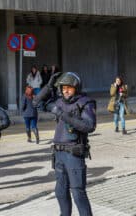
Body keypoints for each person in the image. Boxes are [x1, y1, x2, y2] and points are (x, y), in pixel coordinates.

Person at [34, 72, 96, 216]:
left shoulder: (85, 102)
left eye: (69, 87)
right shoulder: (59, 102)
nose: (65, 91)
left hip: (74, 154)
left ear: (76, 87)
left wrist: (63, 115)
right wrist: (48, 87)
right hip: (59, 154)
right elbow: (36, 103)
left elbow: (89, 126)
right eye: (63, 88)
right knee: (60, 192)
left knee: (78, 194)